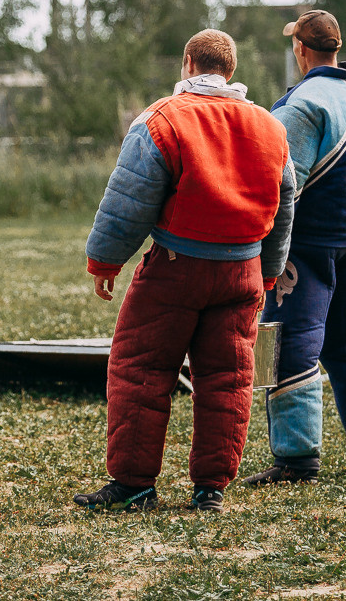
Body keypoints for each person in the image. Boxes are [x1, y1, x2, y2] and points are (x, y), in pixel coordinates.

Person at [75, 29, 296, 513]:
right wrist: (271, 270)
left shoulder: (163, 119)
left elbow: (128, 199)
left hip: (175, 270)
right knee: (228, 378)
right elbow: (284, 208)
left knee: (141, 369)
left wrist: (105, 260)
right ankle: (210, 489)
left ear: (187, 63)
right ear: (230, 71)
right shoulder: (269, 127)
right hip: (243, 272)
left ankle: (134, 485)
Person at [242, 9, 346, 486]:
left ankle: (296, 458)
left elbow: (280, 177)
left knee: (291, 343)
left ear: (300, 51)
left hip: (307, 243)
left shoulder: (303, 104)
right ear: (336, 47)